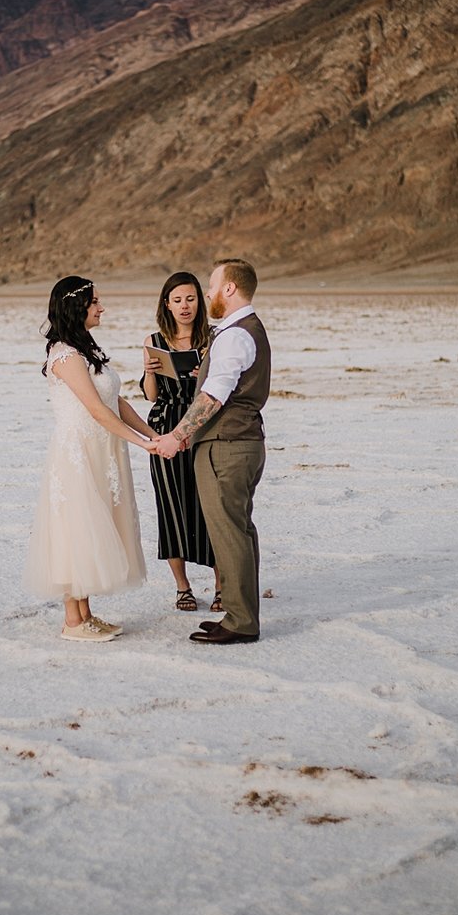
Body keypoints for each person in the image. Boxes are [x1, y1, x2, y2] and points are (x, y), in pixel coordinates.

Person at [25, 276, 155, 641]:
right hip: (78, 453)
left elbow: (117, 403)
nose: (101, 307)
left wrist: (151, 435)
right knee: (76, 531)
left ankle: (85, 613)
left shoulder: (86, 349)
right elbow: (97, 410)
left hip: (103, 450)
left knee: (95, 528)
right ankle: (72, 621)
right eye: (95, 301)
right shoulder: (64, 354)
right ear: (76, 307)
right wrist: (142, 445)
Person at [152, 259, 271, 645]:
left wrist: (178, 436)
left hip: (228, 447)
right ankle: (241, 614)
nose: (206, 295)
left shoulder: (235, 335)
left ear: (230, 289)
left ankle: (240, 621)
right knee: (239, 530)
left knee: (230, 533)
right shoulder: (243, 330)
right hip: (241, 442)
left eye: (211, 287)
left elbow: (214, 394)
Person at [141, 272, 220, 612]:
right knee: (171, 507)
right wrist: (149, 370)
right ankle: (183, 587)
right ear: (166, 305)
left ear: (200, 302)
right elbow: (150, 395)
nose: (184, 306)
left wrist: (202, 372)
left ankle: (222, 586)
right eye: (177, 300)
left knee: (211, 507)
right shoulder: (155, 339)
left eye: (190, 299)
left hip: (203, 427)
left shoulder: (212, 339)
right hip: (165, 427)